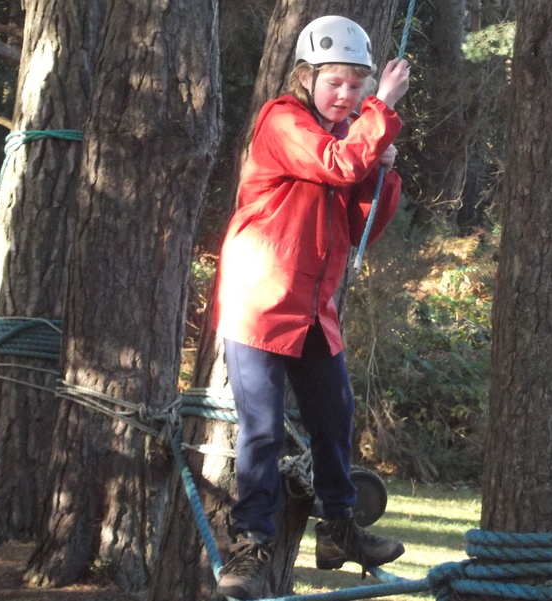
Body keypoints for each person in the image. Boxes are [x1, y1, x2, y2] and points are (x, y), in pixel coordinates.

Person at [211, 14, 411, 600]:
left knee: (334, 418)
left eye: (357, 84)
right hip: (260, 300)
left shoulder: (350, 134)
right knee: (263, 432)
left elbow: (359, 226)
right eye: (335, 83)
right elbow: (338, 164)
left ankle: (339, 530)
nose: (346, 94)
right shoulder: (284, 121)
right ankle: (249, 549)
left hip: (311, 308)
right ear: (306, 77)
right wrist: (383, 111)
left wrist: (386, 174)